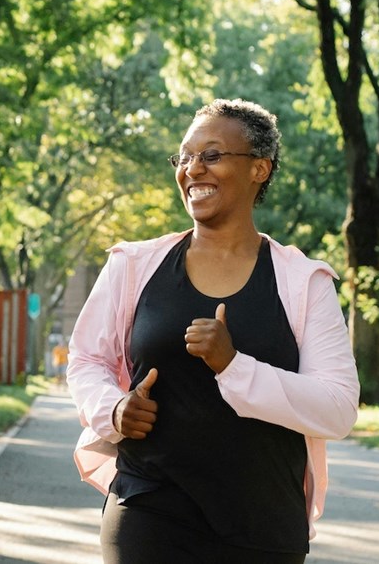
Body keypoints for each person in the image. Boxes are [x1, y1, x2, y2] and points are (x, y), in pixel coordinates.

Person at [67, 99, 359, 563]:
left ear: (259, 169)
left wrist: (234, 366)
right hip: (148, 506)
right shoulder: (134, 266)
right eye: (184, 157)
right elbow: (86, 361)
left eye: (212, 155)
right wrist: (114, 408)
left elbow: (338, 409)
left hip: (262, 523)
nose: (192, 169)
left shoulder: (303, 282)